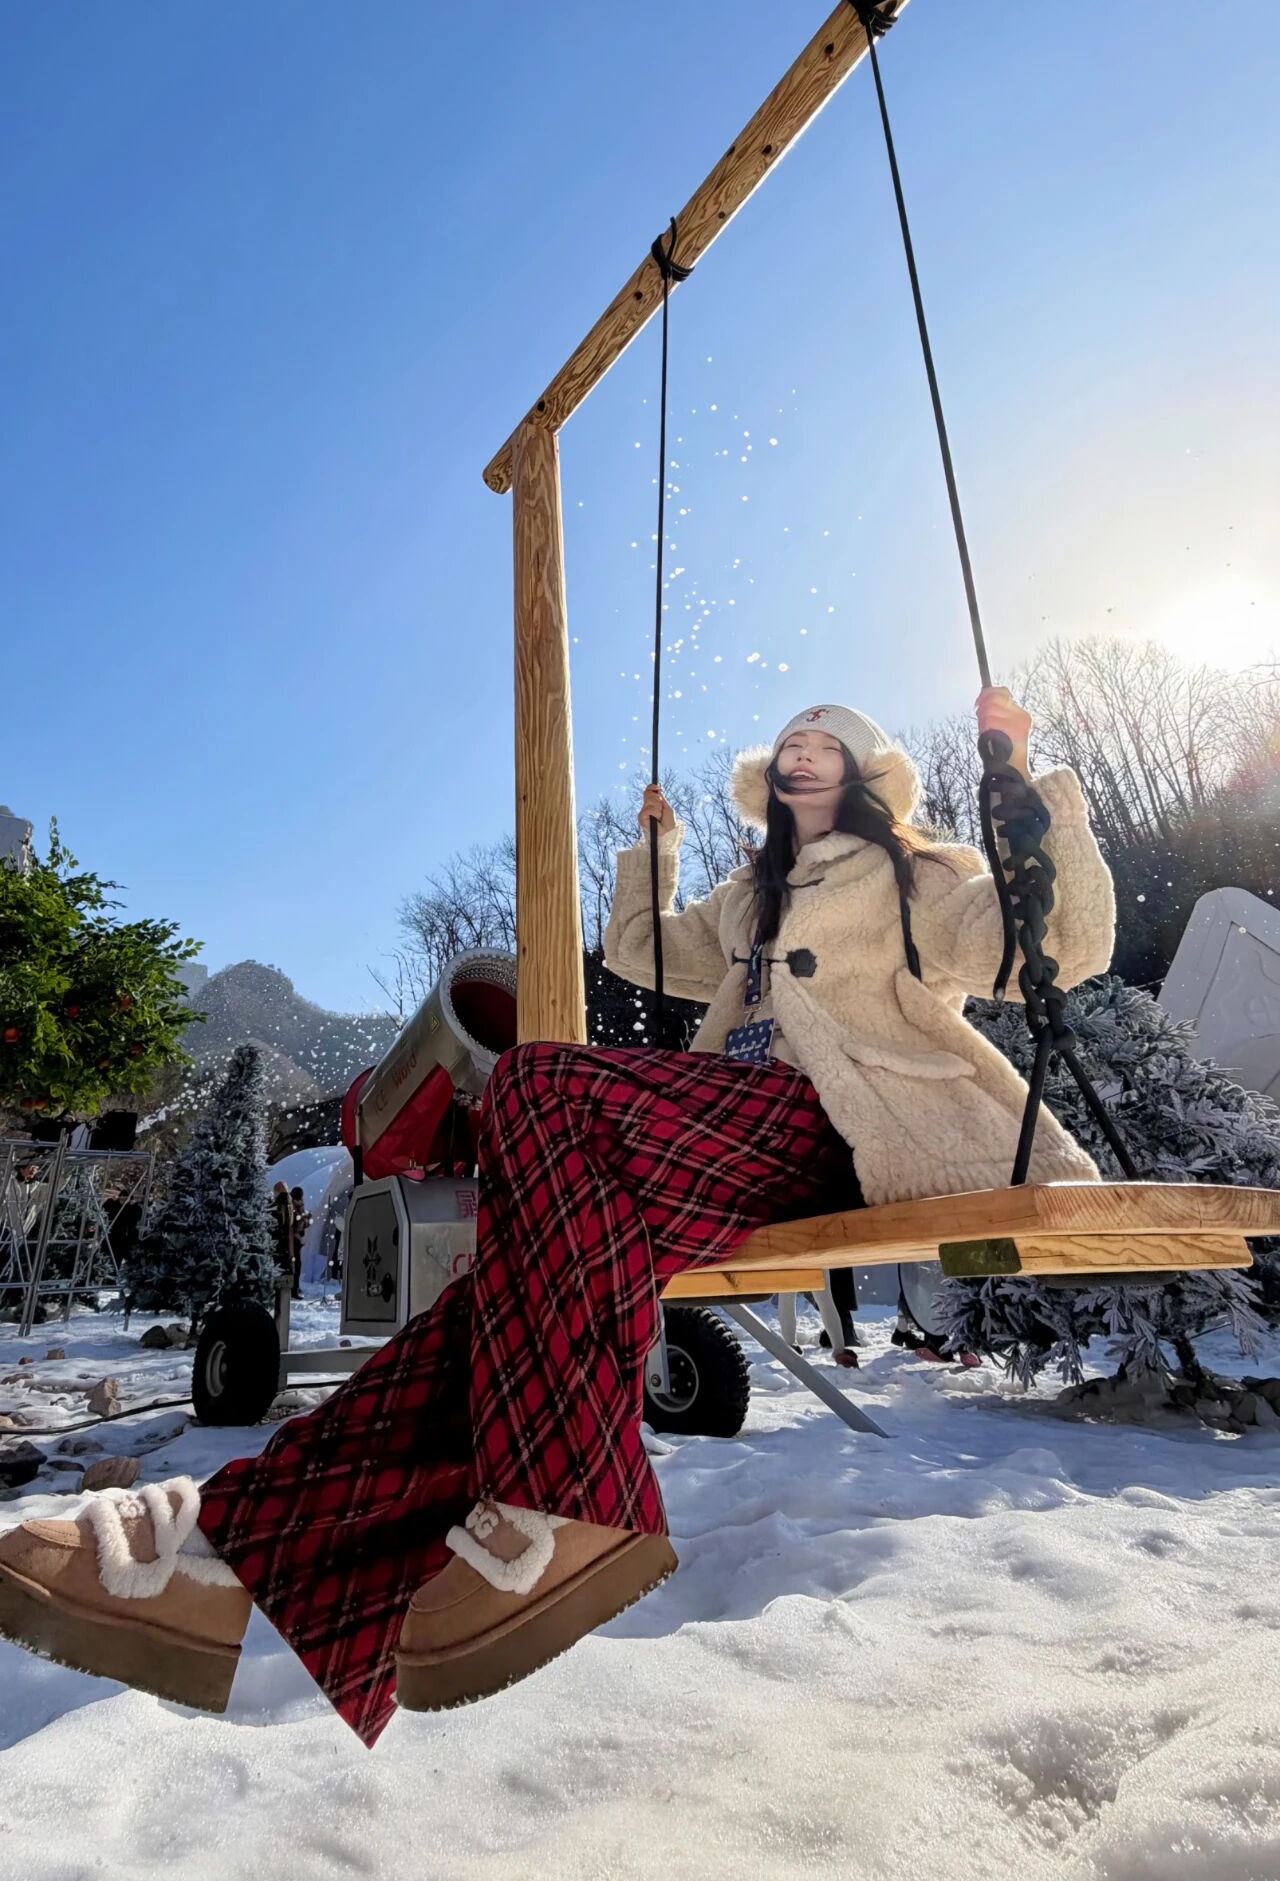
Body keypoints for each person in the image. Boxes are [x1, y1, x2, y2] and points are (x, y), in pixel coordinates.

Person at [0, 692, 1116, 1751]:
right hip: (722, 1131)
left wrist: (1024, 782)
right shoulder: (747, 896)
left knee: (539, 1084)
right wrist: (652, 851)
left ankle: (567, 1491)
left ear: (868, 768)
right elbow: (639, 954)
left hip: (841, 1123)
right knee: (513, 1289)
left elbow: (1053, 948)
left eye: (822, 735)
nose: (799, 746)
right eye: (785, 739)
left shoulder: (917, 870)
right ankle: (225, 1552)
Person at [289, 1186, 309, 1299]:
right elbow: (295, 1224)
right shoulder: (292, 1207)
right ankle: (293, 1289)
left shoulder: (298, 1207)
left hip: (297, 1240)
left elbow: (303, 1222)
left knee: (296, 1266)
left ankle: (295, 1287)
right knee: (295, 1266)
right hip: (294, 1241)